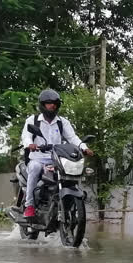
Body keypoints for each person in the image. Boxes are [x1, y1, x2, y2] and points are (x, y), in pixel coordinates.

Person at [19, 89, 93, 219]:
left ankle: (64, 203)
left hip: (56, 159)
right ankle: (29, 205)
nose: (52, 105)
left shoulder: (62, 122)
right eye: (49, 103)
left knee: (70, 173)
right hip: (38, 159)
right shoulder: (33, 120)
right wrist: (30, 144)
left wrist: (84, 147)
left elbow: (73, 138)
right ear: (42, 104)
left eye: (55, 103)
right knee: (35, 168)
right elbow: (26, 136)